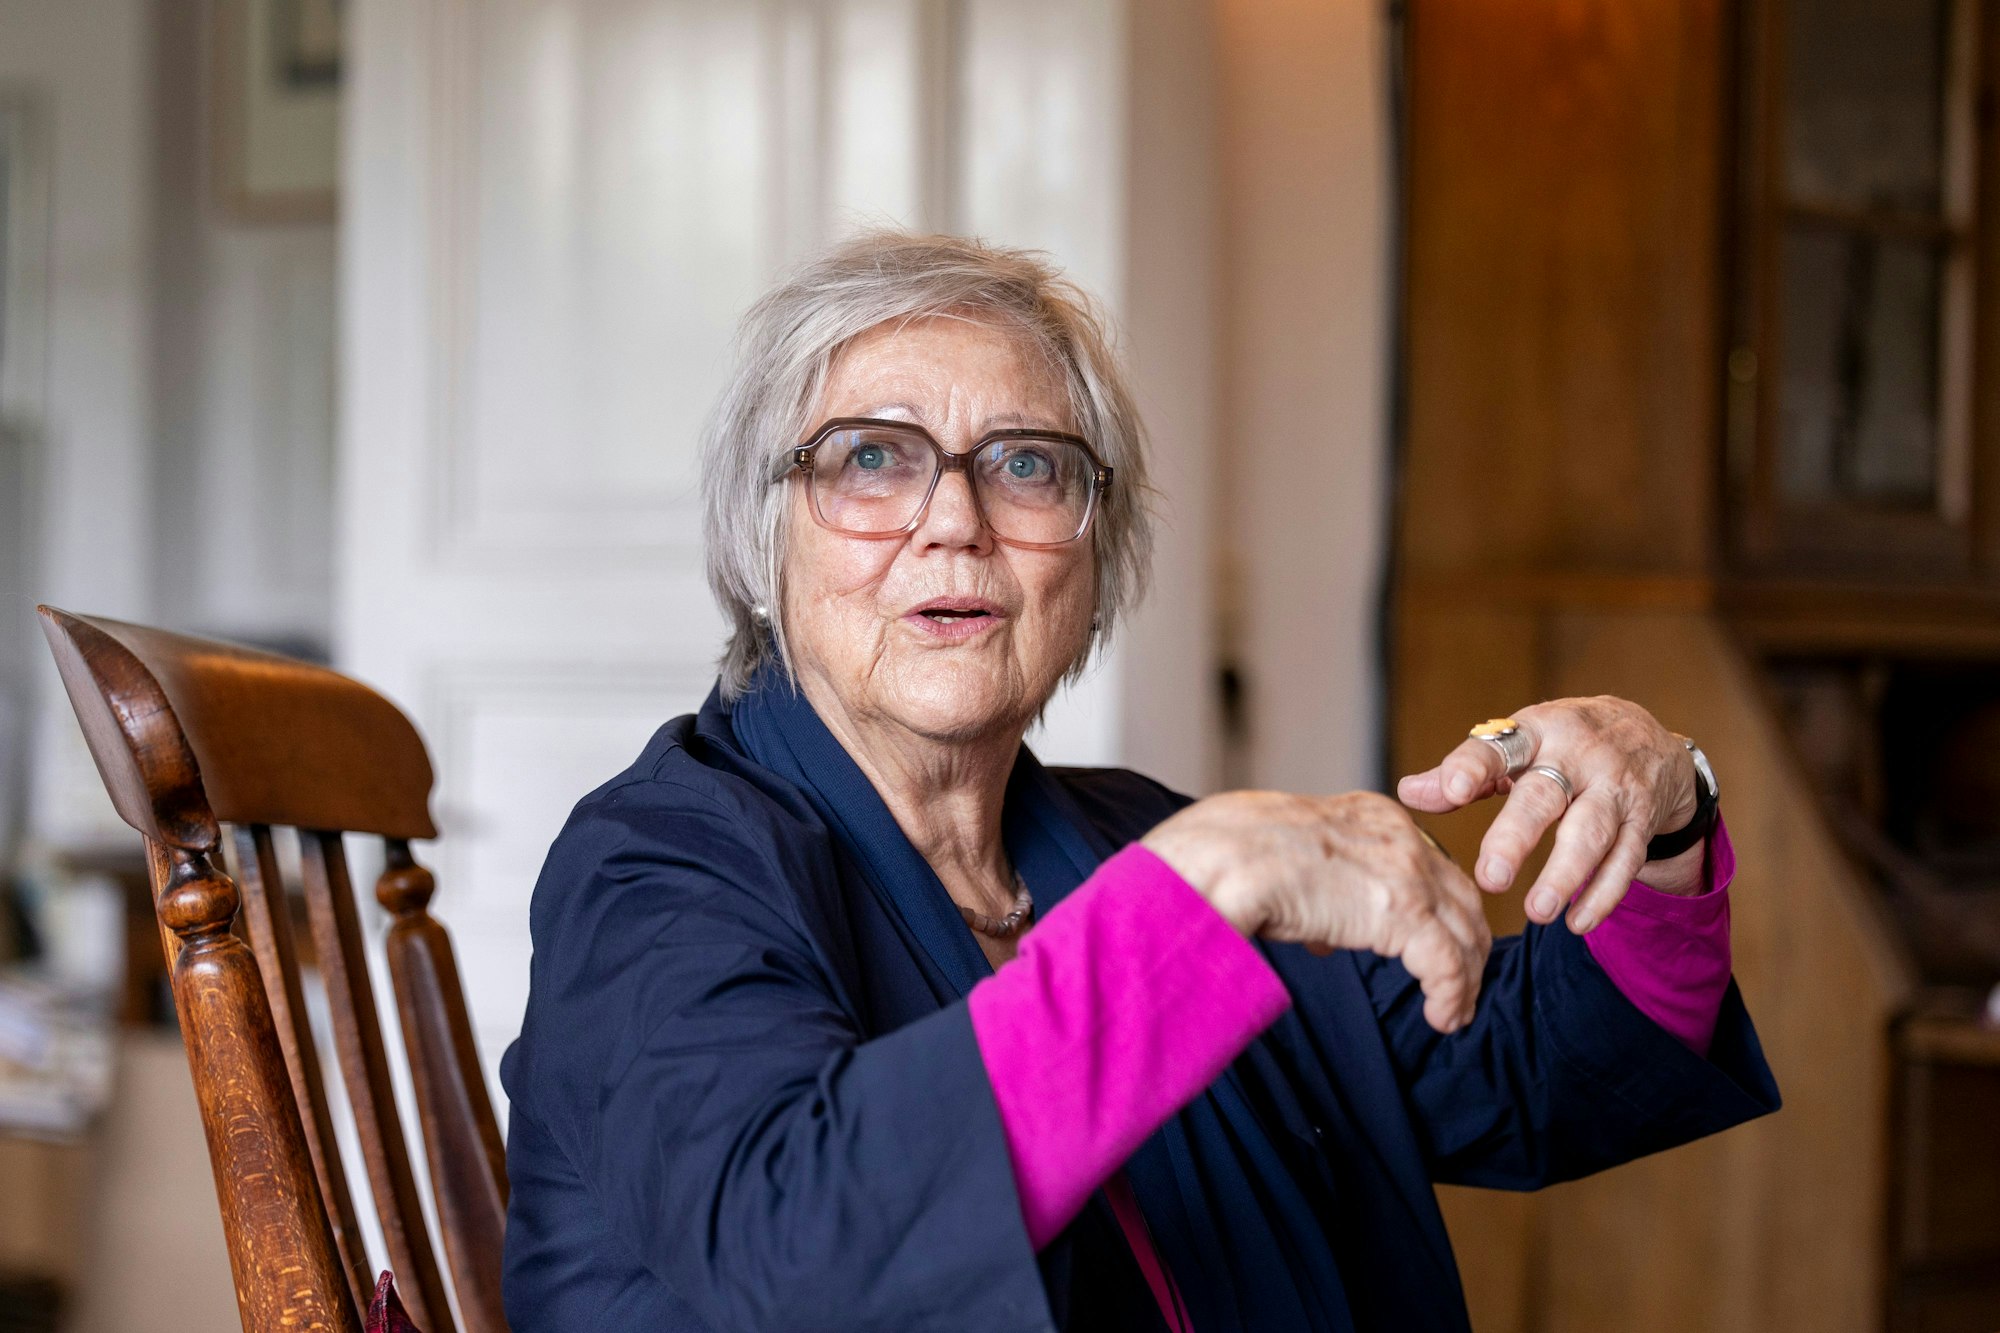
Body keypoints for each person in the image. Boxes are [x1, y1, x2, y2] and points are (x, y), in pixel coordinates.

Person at [499, 232, 1778, 1332]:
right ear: (760, 529)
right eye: (871, 459)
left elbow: (1523, 1073)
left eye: (1024, 465)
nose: (954, 521)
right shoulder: (658, 863)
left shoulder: (1123, 836)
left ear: (1094, 558)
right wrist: (1197, 890)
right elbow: (794, 1249)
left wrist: (1666, 815)